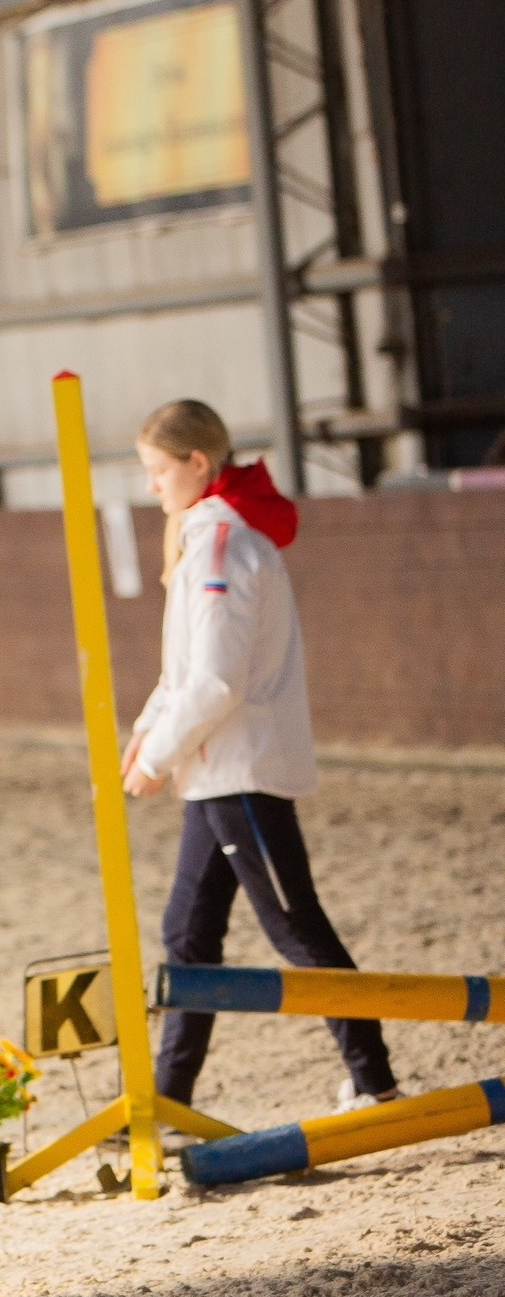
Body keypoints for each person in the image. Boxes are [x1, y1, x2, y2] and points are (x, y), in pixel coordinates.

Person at [121, 399, 399, 1114]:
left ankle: (374, 1080)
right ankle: (170, 1099)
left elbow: (216, 679)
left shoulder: (220, 549)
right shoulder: (207, 540)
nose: (151, 486)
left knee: (293, 925)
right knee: (188, 931)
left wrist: (158, 755)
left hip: (236, 771)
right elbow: (181, 672)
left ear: (196, 464)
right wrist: (149, 734)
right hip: (213, 773)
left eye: (157, 470)